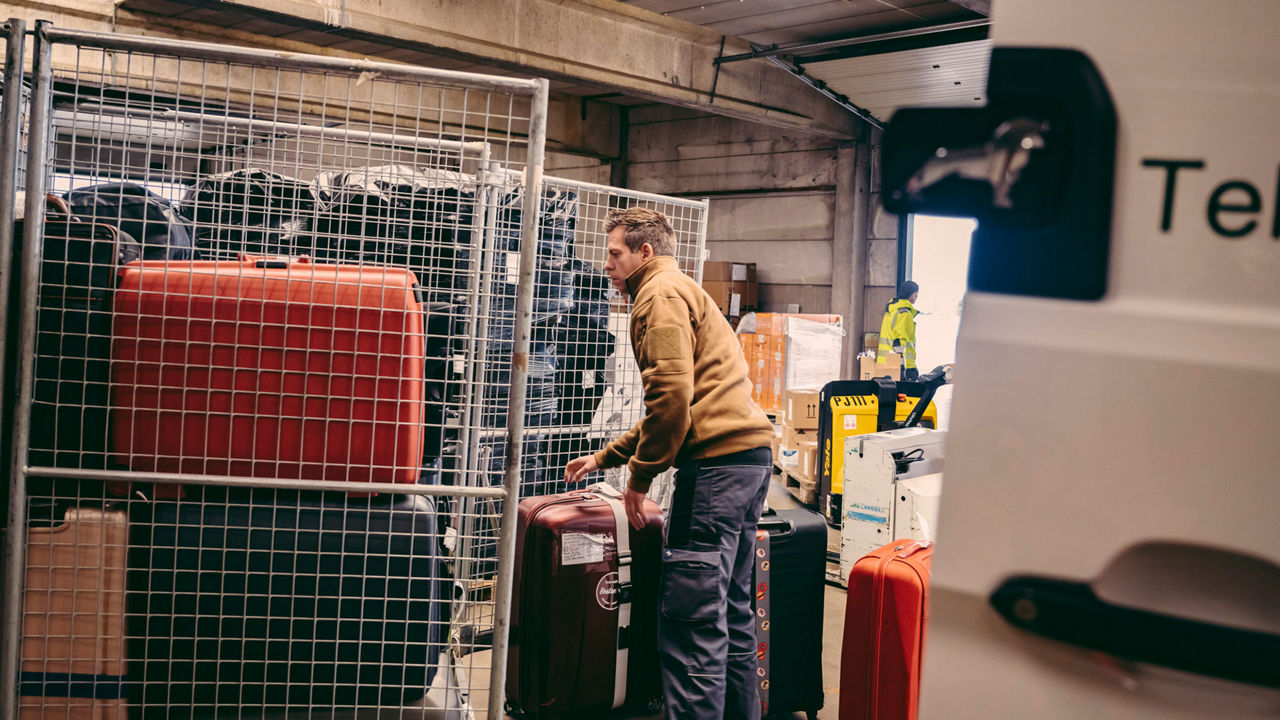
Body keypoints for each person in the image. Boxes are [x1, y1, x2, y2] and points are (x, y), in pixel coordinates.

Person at [564, 207, 776, 720]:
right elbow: (683, 404)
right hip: (749, 463)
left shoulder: (656, 297)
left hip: (716, 475)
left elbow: (673, 401)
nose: (606, 264)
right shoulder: (683, 290)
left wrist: (638, 477)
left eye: (615, 253)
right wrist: (603, 457)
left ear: (645, 252)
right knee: (731, 612)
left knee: (692, 622)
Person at [877, 280, 921, 380]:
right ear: (913, 295)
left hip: (884, 361)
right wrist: (910, 368)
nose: (916, 298)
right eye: (916, 295)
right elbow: (902, 343)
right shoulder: (905, 314)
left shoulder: (892, 310)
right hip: (896, 365)